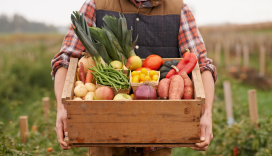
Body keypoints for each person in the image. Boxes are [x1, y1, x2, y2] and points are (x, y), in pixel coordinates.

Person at [51, 0, 217, 155]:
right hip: (106, 137)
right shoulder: (96, 4)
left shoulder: (178, 9)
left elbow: (202, 66)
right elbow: (65, 59)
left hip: (158, 137)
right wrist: (62, 109)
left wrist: (206, 114)